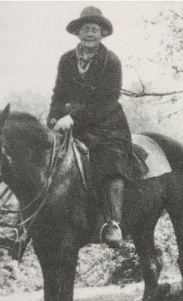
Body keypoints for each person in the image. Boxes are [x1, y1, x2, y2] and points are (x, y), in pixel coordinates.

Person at [48, 6, 146, 248]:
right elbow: (58, 93)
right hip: (67, 122)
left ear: (102, 33)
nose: (90, 33)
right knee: (44, 157)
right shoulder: (66, 59)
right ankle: (31, 225)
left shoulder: (110, 61)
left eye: (94, 29)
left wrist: (74, 118)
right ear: (78, 32)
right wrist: (54, 117)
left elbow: (107, 99)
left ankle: (113, 223)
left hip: (106, 124)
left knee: (109, 160)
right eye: (85, 28)